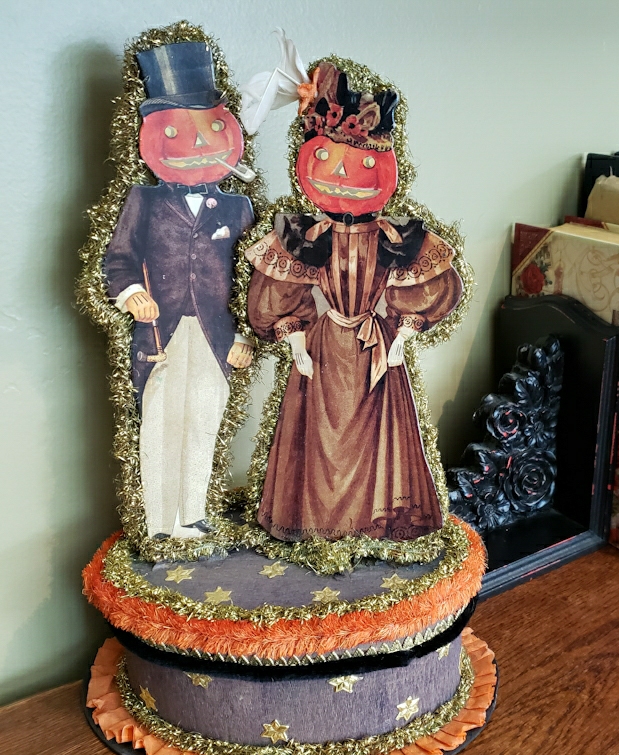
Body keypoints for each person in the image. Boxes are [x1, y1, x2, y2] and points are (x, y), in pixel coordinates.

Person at [245, 62, 462, 542]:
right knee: (318, 438)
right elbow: (281, 296)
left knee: (378, 437)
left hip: (374, 349)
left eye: (361, 164)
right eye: (327, 158)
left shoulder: (394, 237)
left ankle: (373, 522)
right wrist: (296, 344)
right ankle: (315, 523)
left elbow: (427, 292)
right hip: (322, 351)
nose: (342, 174)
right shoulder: (303, 236)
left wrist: (401, 338)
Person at [104, 42, 254, 538]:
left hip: (215, 335)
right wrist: (131, 292)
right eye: (175, 131)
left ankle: (191, 515)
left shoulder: (237, 208)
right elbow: (119, 257)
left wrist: (244, 336)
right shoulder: (143, 199)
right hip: (160, 332)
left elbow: (251, 282)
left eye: (208, 127)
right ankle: (158, 523)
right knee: (159, 422)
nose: (195, 142)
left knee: (204, 420)